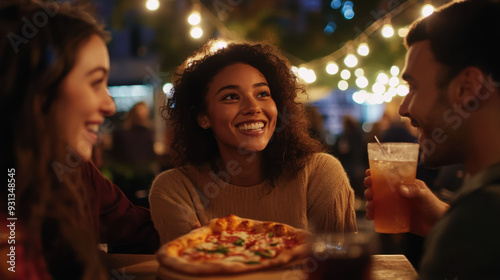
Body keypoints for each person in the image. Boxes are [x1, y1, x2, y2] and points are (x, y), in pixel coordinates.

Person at [0, 1, 158, 279]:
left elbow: (136, 227)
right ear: (39, 90)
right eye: (96, 82)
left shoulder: (76, 170)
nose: (110, 106)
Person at [149, 41, 357, 244]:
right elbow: (190, 271)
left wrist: (219, 244)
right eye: (231, 96)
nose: (253, 107)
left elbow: (340, 265)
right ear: (203, 117)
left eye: (263, 94)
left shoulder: (319, 175)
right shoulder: (176, 189)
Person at [364, 1, 500, 279]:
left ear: (467, 88)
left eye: (413, 86)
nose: (403, 109)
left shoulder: (484, 210)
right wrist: (444, 220)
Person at [109, 101, 157, 207]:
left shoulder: (147, 132)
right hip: (131, 179)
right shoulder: (122, 133)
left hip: (134, 178)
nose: (142, 117)